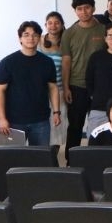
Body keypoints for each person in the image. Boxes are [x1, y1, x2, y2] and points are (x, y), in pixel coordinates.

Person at [0, 21, 61, 146]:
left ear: (39, 38)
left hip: (41, 120)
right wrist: (2, 119)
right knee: (12, 158)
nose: (31, 38)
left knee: (40, 159)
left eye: (35, 35)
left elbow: (52, 88)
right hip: (14, 121)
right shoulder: (7, 63)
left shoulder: (47, 62)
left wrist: (56, 112)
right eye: (26, 35)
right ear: (20, 38)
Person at [61, 0, 105, 160]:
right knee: (75, 126)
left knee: (98, 126)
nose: (84, 11)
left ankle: (96, 160)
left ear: (93, 8)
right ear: (75, 11)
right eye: (79, 9)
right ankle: (71, 160)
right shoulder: (69, 33)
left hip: (99, 87)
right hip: (76, 86)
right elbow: (66, 61)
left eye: (87, 8)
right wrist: (66, 87)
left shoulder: (103, 30)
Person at [39, 11, 67, 147]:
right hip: (40, 93)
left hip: (60, 91)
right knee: (41, 126)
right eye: (50, 23)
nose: (53, 26)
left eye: (57, 23)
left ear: (62, 25)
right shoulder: (38, 40)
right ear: (45, 25)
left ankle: (53, 156)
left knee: (57, 127)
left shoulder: (67, 42)